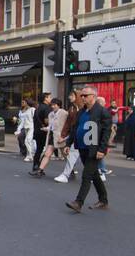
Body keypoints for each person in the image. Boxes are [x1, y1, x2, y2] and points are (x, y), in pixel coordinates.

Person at [65, 85, 111, 213]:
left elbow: (106, 133)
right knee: (94, 174)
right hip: (83, 147)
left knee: (86, 175)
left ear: (94, 97)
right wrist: (69, 144)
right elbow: (75, 129)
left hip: (94, 149)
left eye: (86, 95)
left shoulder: (102, 112)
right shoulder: (81, 112)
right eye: (82, 95)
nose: (83, 98)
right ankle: (103, 200)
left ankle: (78, 202)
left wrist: (102, 149)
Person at [54, 97, 81, 183]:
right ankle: (65, 175)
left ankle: (96, 174)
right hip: (77, 136)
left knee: (90, 158)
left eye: (73, 95)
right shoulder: (73, 109)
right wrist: (67, 141)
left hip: (90, 139)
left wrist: (103, 147)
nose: (70, 97)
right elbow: (71, 125)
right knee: (72, 154)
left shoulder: (94, 110)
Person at [36, 97, 66, 177]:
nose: (53, 106)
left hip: (61, 137)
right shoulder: (51, 114)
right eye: (52, 105)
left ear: (59, 105)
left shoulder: (64, 113)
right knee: (47, 154)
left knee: (65, 155)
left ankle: (71, 170)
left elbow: (67, 125)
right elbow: (51, 126)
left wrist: (65, 136)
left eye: (55, 105)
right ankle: (40, 170)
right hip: (52, 136)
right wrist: (46, 128)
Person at [29, 92, 52, 176]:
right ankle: (39, 167)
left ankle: (35, 165)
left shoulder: (37, 108)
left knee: (39, 149)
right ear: (45, 98)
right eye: (49, 97)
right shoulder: (47, 108)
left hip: (37, 130)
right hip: (44, 131)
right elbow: (46, 120)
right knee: (47, 150)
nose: (50, 99)